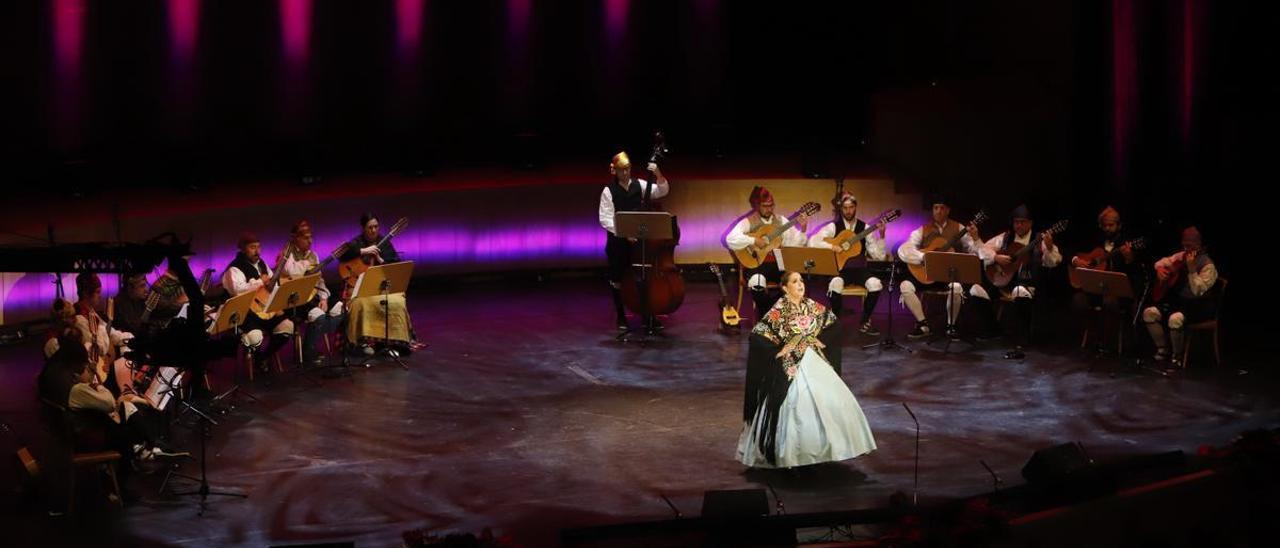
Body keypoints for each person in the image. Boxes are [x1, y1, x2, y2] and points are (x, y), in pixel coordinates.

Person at [737, 271, 876, 468]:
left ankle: (827, 450)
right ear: (785, 288)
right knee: (795, 402)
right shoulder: (779, 310)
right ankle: (793, 455)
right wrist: (779, 350)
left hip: (813, 358)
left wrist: (821, 340)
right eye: (795, 282)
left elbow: (833, 323)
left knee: (829, 398)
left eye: (801, 280)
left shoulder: (811, 306)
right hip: (791, 363)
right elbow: (758, 334)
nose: (800, 284)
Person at [598, 151, 670, 331]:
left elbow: (662, 191)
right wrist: (623, 232)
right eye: (622, 170)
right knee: (617, 279)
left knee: (643, 278)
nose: (626, 173)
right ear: (614, 171)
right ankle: (621, 316)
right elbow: (605, 218)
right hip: (618, 242)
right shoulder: (609, 191)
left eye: (628, 169)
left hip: (639, 241)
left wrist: (658, 174)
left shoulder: (639, 184)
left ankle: (647, 315)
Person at [807, 190, 888, 335]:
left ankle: (865, 320)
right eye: (845, 208)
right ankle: (836, 321)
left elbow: (879, 256)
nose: (848, 211)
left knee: (876, 284)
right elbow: (812, 241)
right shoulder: (833, 227)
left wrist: (882, 236)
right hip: (841, 269)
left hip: (859, 269)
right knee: (835, 284)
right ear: (841, 209)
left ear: (855, 207)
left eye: (851, 207)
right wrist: (833, 246)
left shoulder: (864, 228)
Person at [724, 186, 810, 320]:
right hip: (757, 263)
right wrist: (753, 240)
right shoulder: (748, 221)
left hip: (779, 263)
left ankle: (775, 313)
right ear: (757, 205)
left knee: (796, 281)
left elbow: (794, 243)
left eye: (771, 205)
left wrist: (803, 229)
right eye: (765, 206)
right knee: (756, 283)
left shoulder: (781, 221)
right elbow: (730, 239)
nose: (769, 209)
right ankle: (770, 313)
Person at [1142, 226, 1219, 366]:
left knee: (1175, 319)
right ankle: (1163, 349)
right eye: (1184, 245)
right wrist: (1159, 269)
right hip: (1180, 303)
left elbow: (1197, 291)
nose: (1186, 249)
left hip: (1199, 305)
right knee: (1149, 313)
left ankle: (1178, 355)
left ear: (1198, 244)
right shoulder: (1181, 256)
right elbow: (1161, 262)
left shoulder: (1208, 265)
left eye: (1189, 246)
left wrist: (1191, 270)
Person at [276, 220, 345, 364]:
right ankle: (308, 350)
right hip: (294, 300)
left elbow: (318, 280)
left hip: (312, 295)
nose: (310, 241)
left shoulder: (313, 255)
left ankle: (316, 335)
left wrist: (324, 298)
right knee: (318, 316)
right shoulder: (286, 254)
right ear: (296, 239)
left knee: (340, 307)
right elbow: (291, 272)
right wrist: (307, 264)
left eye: (311, 237)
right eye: (306, 238)